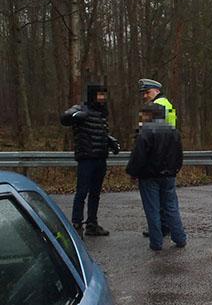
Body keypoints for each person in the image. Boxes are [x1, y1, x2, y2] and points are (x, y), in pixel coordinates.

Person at [60, 84, 120, 237]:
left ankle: (92, 224)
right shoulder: (81, 109)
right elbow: (65, 118)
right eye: (99, 95)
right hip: (86, 158)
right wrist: (75, 116)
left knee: (95, 193)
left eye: (103, 95)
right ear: (92, 95)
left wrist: (110, 141)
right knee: (82, 192)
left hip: (100, 157)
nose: (102, 98)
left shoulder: (101, 114)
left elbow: (100, 133)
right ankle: (76, 223)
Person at [126, 103, 186, 251]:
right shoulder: (174, 131)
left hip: (149, 176)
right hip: (169, 175)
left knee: (152, 209)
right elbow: (179, 155)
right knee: (171, 207)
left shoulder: (145, 132)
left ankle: (156, 242)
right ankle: (180, 238)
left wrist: (133, 173)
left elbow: (138, 156)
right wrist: (175, 169)